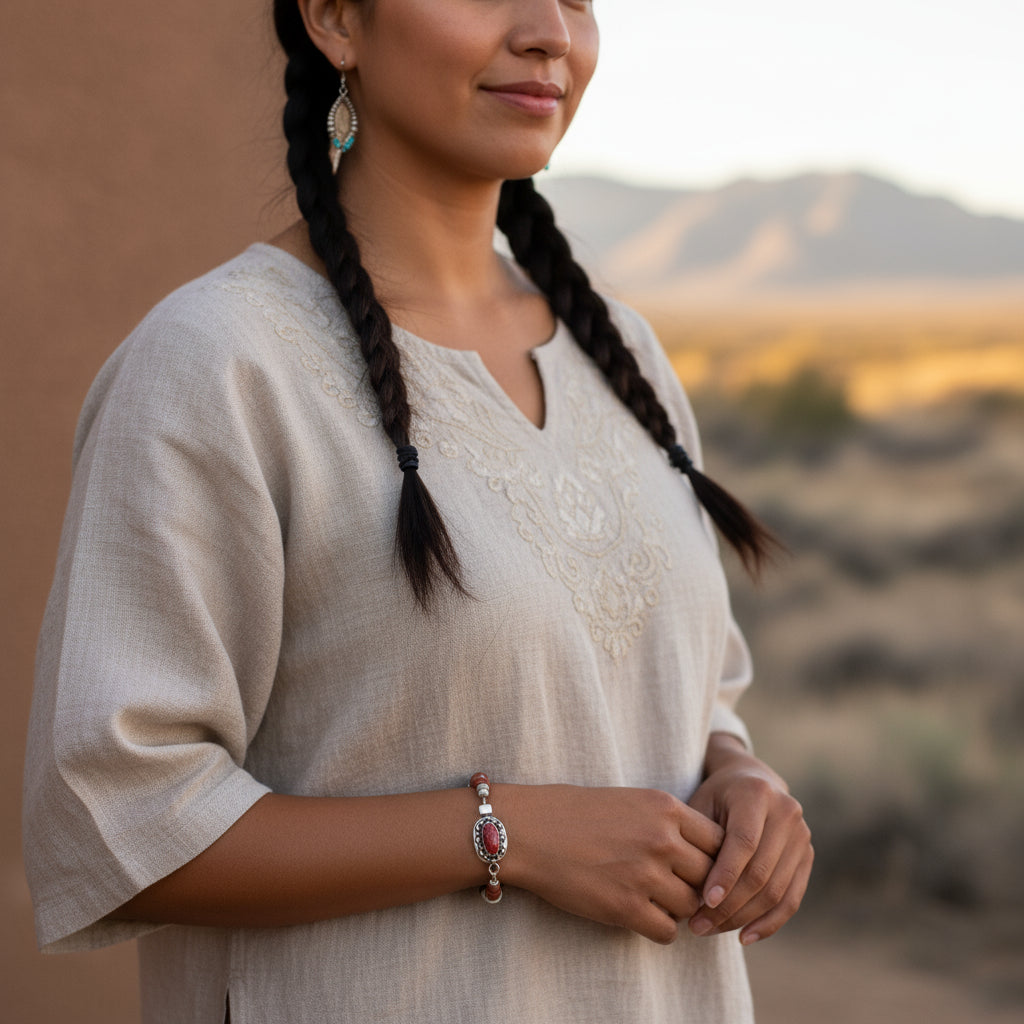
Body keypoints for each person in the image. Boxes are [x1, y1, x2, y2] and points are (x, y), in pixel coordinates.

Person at [23, 1, 813, 1021]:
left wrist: (742, 781)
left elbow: (684, 695)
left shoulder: (622, 354)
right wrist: (506, 835)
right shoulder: (219, 364)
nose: (548, 33)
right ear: (336, 18)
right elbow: (117, 817)